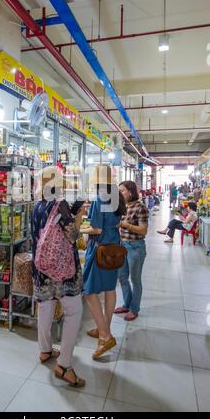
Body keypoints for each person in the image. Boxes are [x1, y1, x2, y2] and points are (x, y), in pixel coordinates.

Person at [31, 166, 85, 387]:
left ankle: (45, 351)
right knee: (74, 312)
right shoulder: (59, 205)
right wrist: (79, 217)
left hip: (42, 267)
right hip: (63, 270)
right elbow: (72, 235)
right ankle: (64, 365)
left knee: (45, 307)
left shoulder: (37, 205)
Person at [80, 165, 126, 360]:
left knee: (89, 292)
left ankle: (105, 335)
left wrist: (82, 230)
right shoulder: (117, 197)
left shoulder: (100, 198)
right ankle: (103, 328)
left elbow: (96, 229)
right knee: (109, 289)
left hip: (100, 250)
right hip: (114, 249)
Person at [114, 181, 148, 321]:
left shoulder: (141, 207)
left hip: (135, 247)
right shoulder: (121, 207)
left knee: (135, 279)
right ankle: (126, 304)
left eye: (122, 191)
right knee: (122, 277)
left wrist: (125, 225)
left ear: (131, 192)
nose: (119, 193)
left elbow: (144, 230)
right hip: (122, 246)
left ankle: (134, 308)